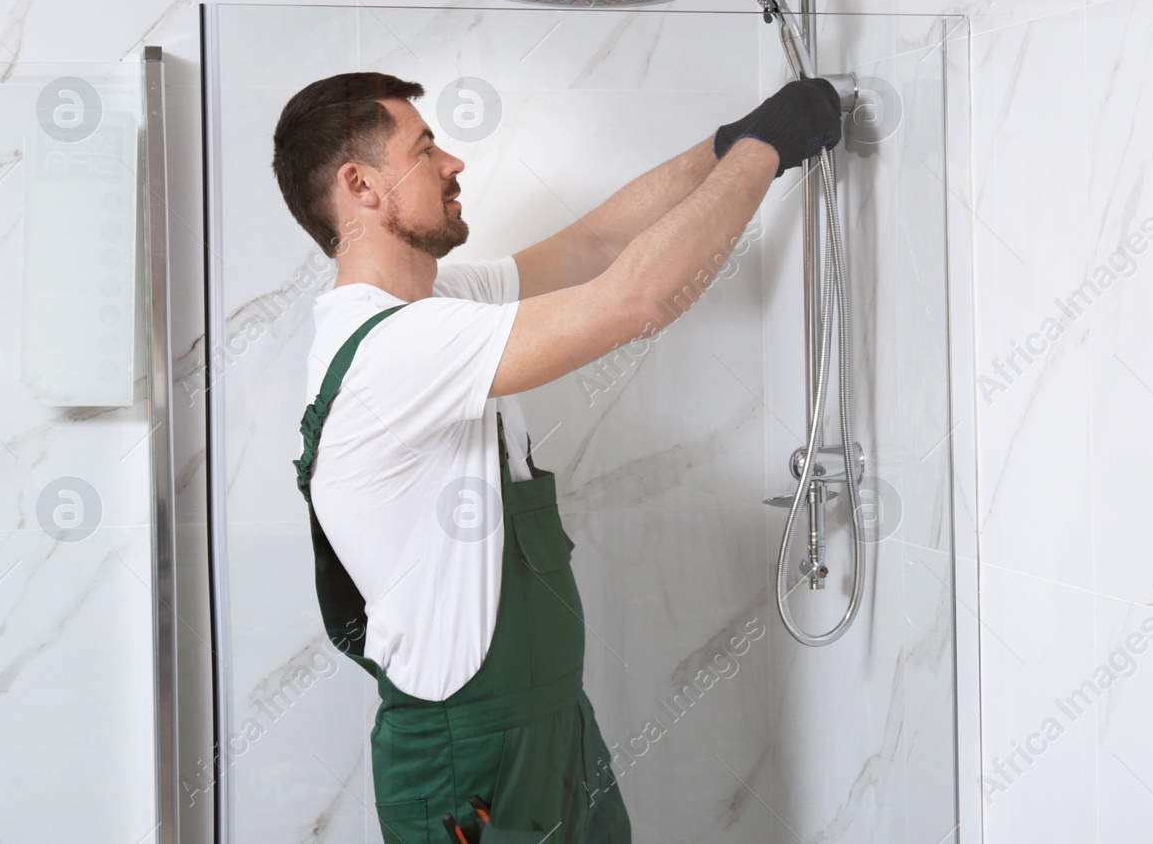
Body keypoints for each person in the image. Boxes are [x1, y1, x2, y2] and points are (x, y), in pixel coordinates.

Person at [272, 71, 841, 844]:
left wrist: (728, 142)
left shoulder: (440, 305)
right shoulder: (393, 350)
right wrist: (767, 149)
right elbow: (635, 298)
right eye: (426, 147)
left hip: (550, 726)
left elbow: (594, 247)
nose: (453, 165)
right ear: (361, 185)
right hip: (466, 760)